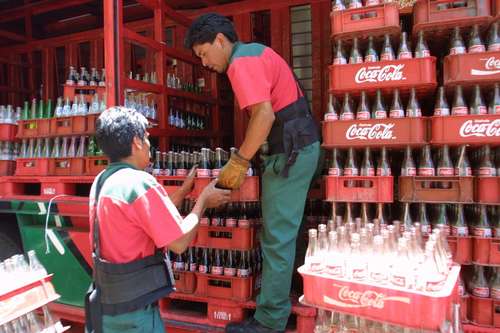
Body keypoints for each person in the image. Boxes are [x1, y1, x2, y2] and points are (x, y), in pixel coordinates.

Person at [185, 13, 321, 333]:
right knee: (288, 231)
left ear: (220, 41)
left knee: (275, 237)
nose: (204, 62)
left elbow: (263, 116)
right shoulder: (257, 52)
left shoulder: (241, 62)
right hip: (301, 147)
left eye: (204, 53)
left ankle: (269, 321)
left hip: (291, 153)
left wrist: (239, 162)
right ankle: (290, 294)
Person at [84, 106, 230, 333]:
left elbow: (141, 218)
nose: (150, 145)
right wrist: (202, 201)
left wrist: (183, 191)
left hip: (106, 307)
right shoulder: (139, 182)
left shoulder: (102, 181)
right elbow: (179, 242)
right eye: (147, 138)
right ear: (136, 142)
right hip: (136, 313)